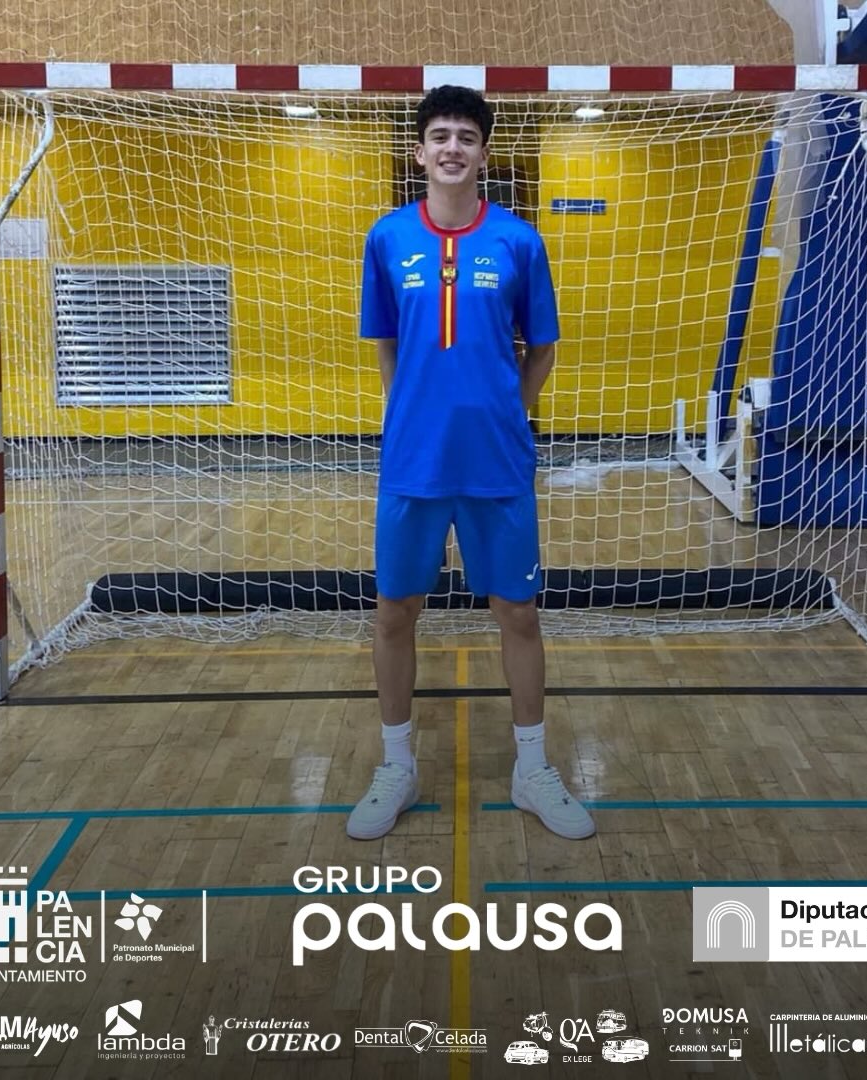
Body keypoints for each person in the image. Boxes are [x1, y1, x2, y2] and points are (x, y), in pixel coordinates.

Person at [349, 85, 595, 842]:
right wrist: (408, 411)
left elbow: (543, 345)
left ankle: (532, 769)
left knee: (517, 612)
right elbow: (387, 340)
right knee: (395, 612)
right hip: (413, 461)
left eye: (466, 136)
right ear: (419, 153)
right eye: (440, 135)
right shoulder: (387, 238)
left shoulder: (520, 241)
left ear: (483, 153)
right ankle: (397, 764)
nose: (452, 147)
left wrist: (509, 412)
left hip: (498, 460)